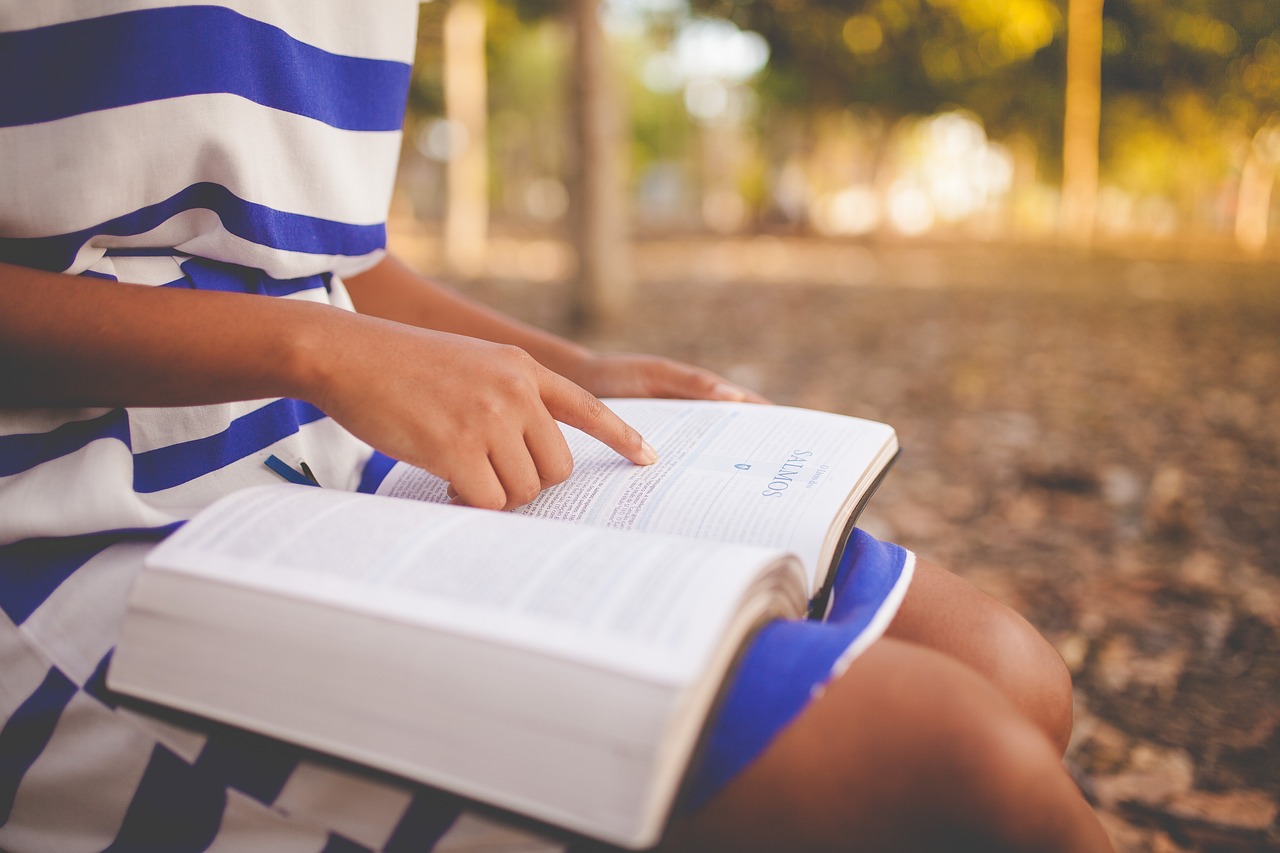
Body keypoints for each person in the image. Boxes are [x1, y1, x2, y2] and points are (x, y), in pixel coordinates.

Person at [0, 3, 1113, 851]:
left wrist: (572, 369)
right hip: (70, 517)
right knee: (954, 774)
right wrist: (317, 353)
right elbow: (303, 319)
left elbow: (322, 253)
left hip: (338, 450)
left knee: (1004, 669)